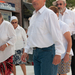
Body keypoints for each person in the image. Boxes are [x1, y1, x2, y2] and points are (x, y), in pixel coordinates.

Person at [21, 0, 65, 75]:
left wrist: (58, 53)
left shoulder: (49, 14)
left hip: (48, 53)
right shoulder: (34, 15)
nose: (34, 1)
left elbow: (57, 34)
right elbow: (31, 34)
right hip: (36, 53)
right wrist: (26, 50)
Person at [49, 6, 73, 75]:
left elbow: (69, 41)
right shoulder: (49, 26)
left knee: (62, 74)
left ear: (56, 14)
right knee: (54, 73)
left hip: (64, 53)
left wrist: (67, 54)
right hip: (54, 53)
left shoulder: (63, 25)